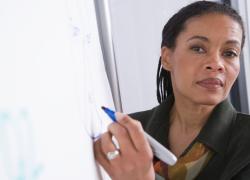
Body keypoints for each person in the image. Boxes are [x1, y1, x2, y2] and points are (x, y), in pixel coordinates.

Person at [94, 1, 250, 179]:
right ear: (167, 58)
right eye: (198, 48)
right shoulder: (128, 132)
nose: (216, 64)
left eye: (229, 53)